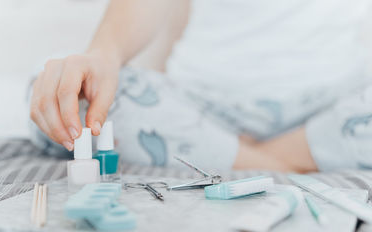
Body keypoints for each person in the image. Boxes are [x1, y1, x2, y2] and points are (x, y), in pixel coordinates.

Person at [29, 0, 372, 173]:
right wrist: (103, 55)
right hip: (203, 104)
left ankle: (238, 157)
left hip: (330, 103)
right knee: (60, 90)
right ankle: (290, 165)